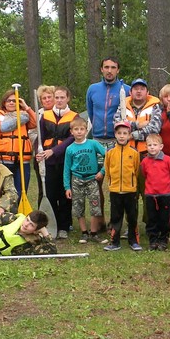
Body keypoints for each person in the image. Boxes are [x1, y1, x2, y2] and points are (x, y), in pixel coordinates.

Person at [85, 57, 129, 230]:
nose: (109, 70)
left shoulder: (126, 90)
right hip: (97, 140)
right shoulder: (93, 89)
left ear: (118, 70)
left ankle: (116, 220)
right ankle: (100, 218)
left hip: (117, 141)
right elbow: (90, 111)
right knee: (96, 182)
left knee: (118, 182)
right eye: (106, 67)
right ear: (101, 69)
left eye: (113, 67)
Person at [36, 86, 76, 240]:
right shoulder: (44, 115)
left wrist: (54, 151)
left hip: (65, 159)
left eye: (62, 98)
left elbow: (71, 139)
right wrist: (38, 153)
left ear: (67, 99)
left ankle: (64, 226)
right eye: (57, 97)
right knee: (50, 193)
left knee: (64, 193)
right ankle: (49, 223)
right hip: (47, 161)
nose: (59, 101)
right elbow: (39, 137)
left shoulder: (73, 116)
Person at [96, 121, 141, 251]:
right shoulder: (110, 152)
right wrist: (112, 183)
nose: (122, 136)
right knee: (116, 217)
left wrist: (132, 184)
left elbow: (136, 170)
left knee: (132, 216)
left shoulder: (134, 152)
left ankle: (133, 241)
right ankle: (115, 242)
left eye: (125, 133)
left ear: (129, 135)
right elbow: (108, 169)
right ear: (115, 134)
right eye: (119, 133)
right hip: (115, 190)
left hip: (130, 190)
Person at [63, 116, 106, 243]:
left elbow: (108, 157)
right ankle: (84, 233)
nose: (79, 132)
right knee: (78, 206)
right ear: (72, 131)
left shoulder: (93, 144)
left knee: (95, 205)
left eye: (82, 129)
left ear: (86, 130)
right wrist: (67, 187)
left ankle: (93, 233)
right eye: (76, 129)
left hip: (92, 178)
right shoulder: (70, 149)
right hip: (77, 179)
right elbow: (66, 169)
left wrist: (102, 171)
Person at [0, 89, 37, 204]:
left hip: (22, 161)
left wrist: (26, 107)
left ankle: (18, 214)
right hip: (4, 160)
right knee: (4, 191)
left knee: (21, 191)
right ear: (4, 103)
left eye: (14, 101)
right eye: (8, 101)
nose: (11, 103)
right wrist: (21, 118)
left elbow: (36, 123)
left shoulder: (25, 114)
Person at [140, 134, 170, 251]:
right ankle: (153, 240)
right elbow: (144, 174)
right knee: (151, 218)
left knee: (164, 218)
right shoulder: (145, 162)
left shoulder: (169, 160)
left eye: (155, 145)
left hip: (165, 194)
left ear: (161, 146)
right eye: (149, 145)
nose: (152, 147)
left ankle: (163, 240)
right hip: (150, 194)